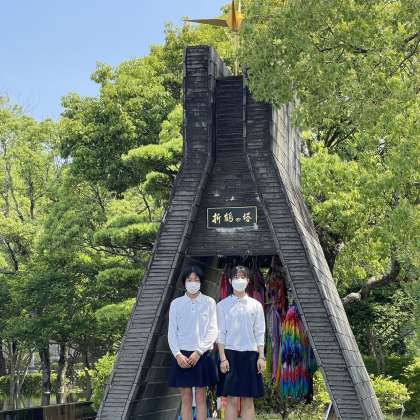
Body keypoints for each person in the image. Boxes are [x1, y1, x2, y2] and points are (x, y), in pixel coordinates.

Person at [168, 265, 219, 420]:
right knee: (186, 398)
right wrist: (177, 355)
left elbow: (213, 330)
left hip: (201, 354)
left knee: (201, 398)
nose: (192, 283)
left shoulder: (209, 302)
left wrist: (199, 351)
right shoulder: (176, 304)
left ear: (201, 282)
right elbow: (172, 332)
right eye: (189, 280)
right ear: (184, 282)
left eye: (196, 279)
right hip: (182, 356)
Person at [216, 265, 266, 420]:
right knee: (231, 399)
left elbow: (260, 332)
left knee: (248, 400)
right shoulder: (222, 305)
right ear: (230, 281)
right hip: (230, 355)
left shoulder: (256, 305)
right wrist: (222, 358)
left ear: (248, 280)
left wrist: (261, 357)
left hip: (251, 355)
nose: (240, 280)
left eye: (243, 277)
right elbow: (220, 334)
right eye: (236, 277)